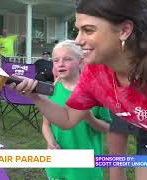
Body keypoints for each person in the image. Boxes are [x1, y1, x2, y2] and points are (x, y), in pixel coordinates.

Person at [9, 0, 147, 179]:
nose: (78, 40)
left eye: (88, 30)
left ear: (124, 30)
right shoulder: (95, 73)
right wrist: (35, 96)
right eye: (78, 30)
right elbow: (67, 118)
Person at [42, 40, 111, 180]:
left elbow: (107, 128)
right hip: (57, 163)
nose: (60, 63)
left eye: (67, 59)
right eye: (56, 60)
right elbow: (46, 124)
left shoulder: (96, 92)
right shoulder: (51, 92)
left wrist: (89, 118)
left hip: (85, 166)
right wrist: (50, 142)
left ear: (80, 62)